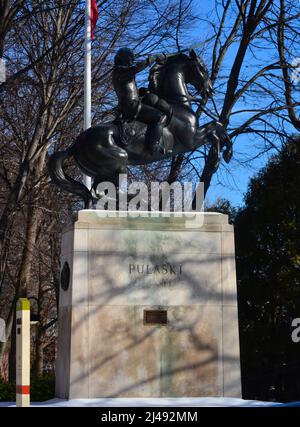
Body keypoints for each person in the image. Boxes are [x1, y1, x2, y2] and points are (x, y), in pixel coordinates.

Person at [112, 47, 168, 155]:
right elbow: (136, 68)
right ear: (126, 59)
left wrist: (140, 93)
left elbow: (128, 89)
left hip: (131, 104)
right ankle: (153, 146)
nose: (132, 62)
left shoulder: (120, 72)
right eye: (130, 59)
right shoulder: (120, 72)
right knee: (160, 116)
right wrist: (151, 59)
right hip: (131, 107)